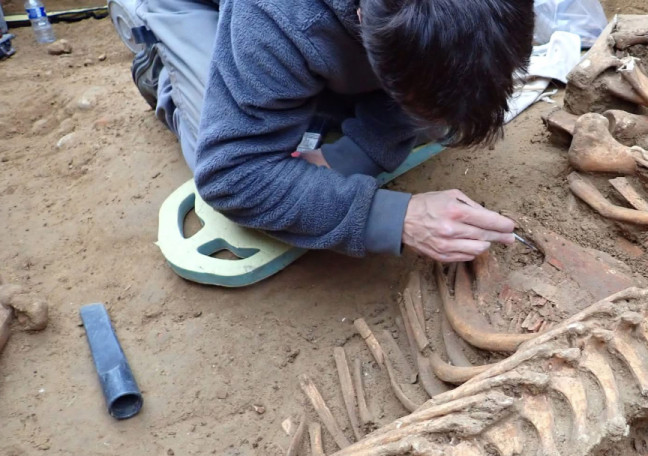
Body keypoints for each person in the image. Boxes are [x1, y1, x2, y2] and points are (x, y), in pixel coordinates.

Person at [130, 0, 535, 262]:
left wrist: (358, 152)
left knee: (441, 93)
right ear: (363, 20)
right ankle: (157, 60)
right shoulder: (277, 12)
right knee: (212, 145)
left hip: (323, 28)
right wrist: (396, 217)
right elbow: (233, 175)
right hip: (195, 7)